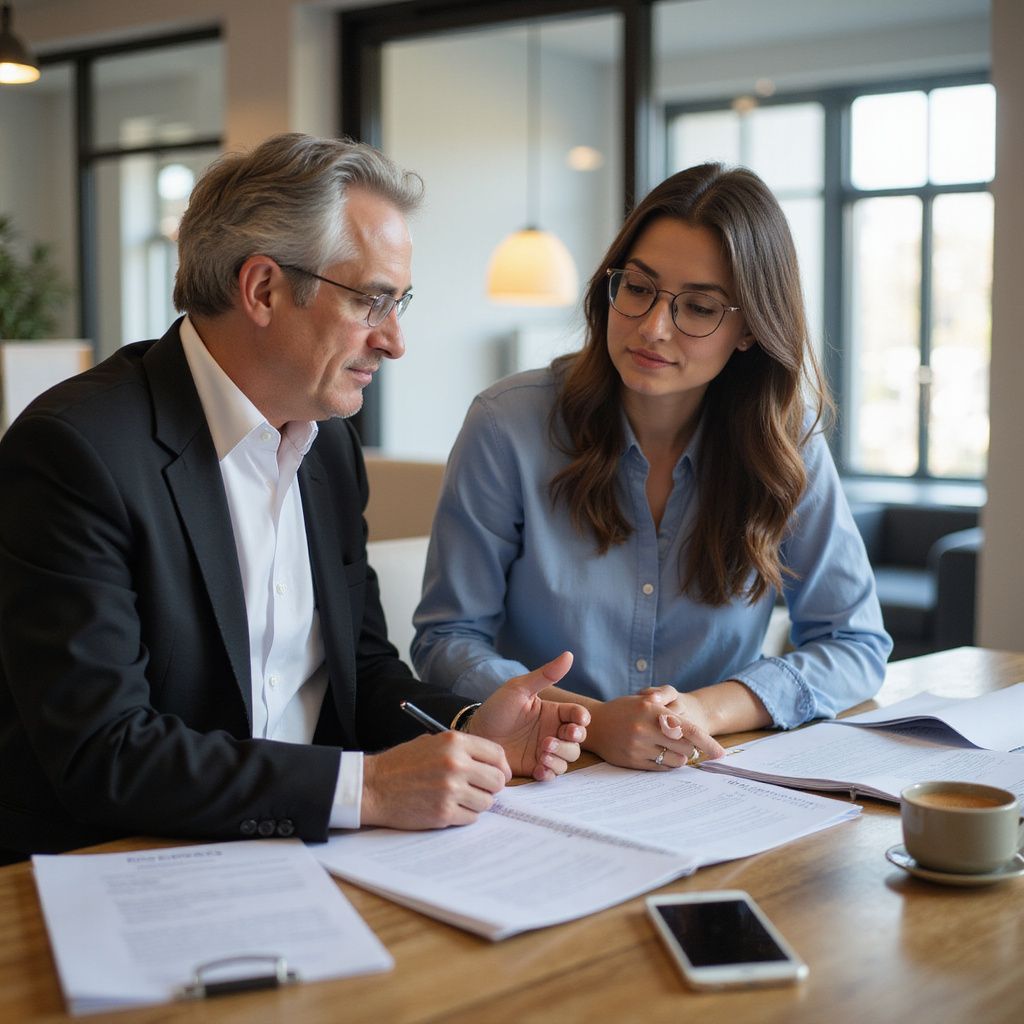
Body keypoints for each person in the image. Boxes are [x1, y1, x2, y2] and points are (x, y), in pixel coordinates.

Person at [0, 133, 588, 863]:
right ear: (263, 290)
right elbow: (104, 751)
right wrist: (363, 790)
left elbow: (362, 675)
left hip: (317, 854)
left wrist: (467, 728)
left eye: (399, 301)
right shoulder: (76, 450)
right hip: (121, 864)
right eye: (373, 300)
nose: (395, 341)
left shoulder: (328, 444)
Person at [412, 162, 892, 771]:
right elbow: (447, 641)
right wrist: (589, 721)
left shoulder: (785, 440)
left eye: (698, 307)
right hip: (540, 771)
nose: (653, 329)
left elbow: (854, 643)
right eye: (638, 288)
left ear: (748, 329)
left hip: (713, 773)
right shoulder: (509, 425)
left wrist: (704, 711)